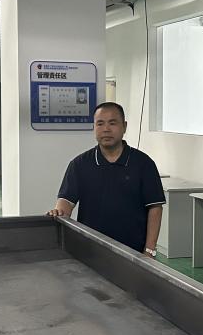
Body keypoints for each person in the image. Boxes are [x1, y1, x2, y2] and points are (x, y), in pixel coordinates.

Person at [49, 102, 165, 256]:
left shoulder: (143, 164)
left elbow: (155, 208)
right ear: (94, 127)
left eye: (112, 123)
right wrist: (59, 213)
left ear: (124, 126)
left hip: (133, 253)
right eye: (100, 124)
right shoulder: (79, 164)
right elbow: (66, 201)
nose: (106, 129)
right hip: (89, 249)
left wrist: (149, 250)